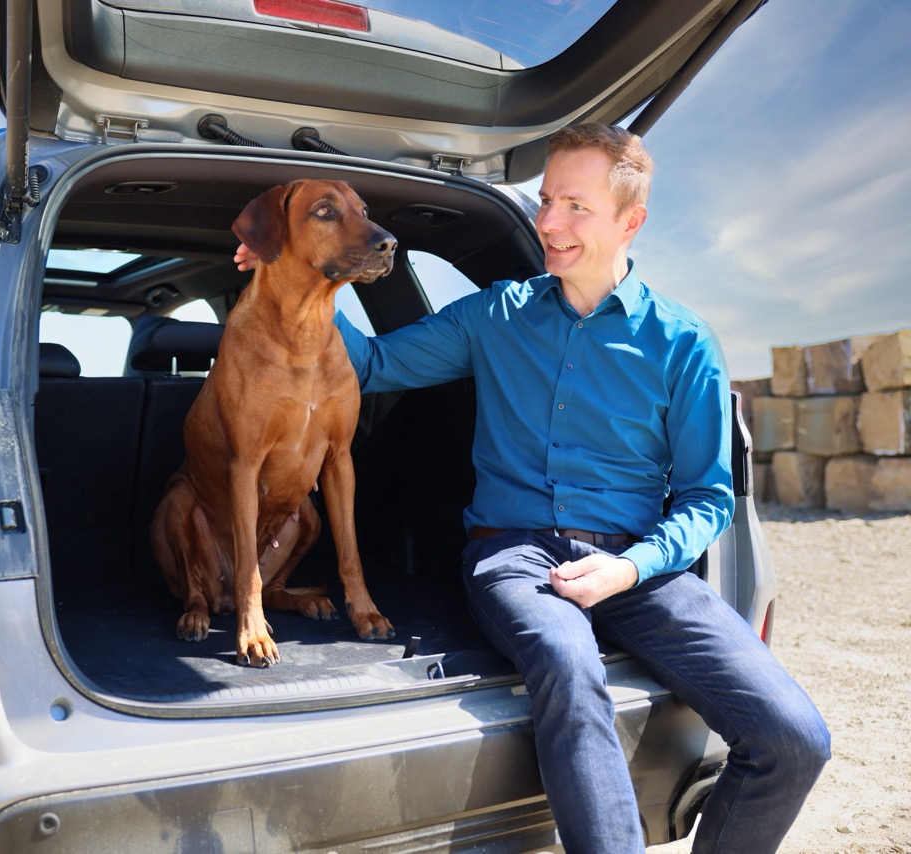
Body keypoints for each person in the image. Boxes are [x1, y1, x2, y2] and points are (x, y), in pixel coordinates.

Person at [235, 123, 830, 853]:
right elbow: (374, 363)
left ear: (629, 221)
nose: (548, 222)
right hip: (513, 556)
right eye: (546, 200)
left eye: (575, 206)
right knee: (569, 667)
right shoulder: (497, 314)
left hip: (641, 567)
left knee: (795, 738)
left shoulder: (683, 342)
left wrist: (631, 566)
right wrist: (293, 271)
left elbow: (708, 498)